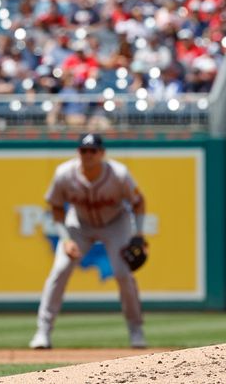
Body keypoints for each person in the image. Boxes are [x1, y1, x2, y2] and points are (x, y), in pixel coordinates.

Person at [29, 134, 148, 349]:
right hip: (79, 225)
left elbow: (138, 202)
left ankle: (136, 329)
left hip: (115, 224)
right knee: (60, 269)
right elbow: (55, 207)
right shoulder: (64, 174)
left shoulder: (118, 174)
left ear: (102, 153)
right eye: (84, 150)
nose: (88, 155)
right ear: (78, 153)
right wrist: (65, 239)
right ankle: (43, 331)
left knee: (122, 274)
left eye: (93, 150)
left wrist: (138, 235)